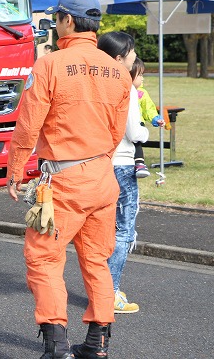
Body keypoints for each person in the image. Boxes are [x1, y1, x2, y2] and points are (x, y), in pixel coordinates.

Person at [7, 0, 131, 359]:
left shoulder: (50, 65)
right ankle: (97, 343)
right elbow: (116, 132)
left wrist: (15, 172)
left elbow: (28, 126)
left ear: (67, 21)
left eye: (57, 17)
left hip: (64, 182)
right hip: (103, 179)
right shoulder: (119, 71)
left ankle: (57, 345)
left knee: (44, 258)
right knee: (97, 261)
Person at [97, 34, 150, 317]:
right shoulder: (125, 87)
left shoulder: (94, 82)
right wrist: (146, 132)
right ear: (118, 59)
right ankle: (110, 292)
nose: (134, 59)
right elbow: (133, 131)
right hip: (122, 163)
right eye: (131, 54)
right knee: (123, 229)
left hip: (98, 163)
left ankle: (104, 288)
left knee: (102, 230)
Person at [129, 57, 165, 179]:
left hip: (138, 123)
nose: (142, 78)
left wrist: (155, 118)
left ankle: (139, 163)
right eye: (139, 75)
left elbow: (149, 108)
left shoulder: (142, 93)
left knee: (137, 143)